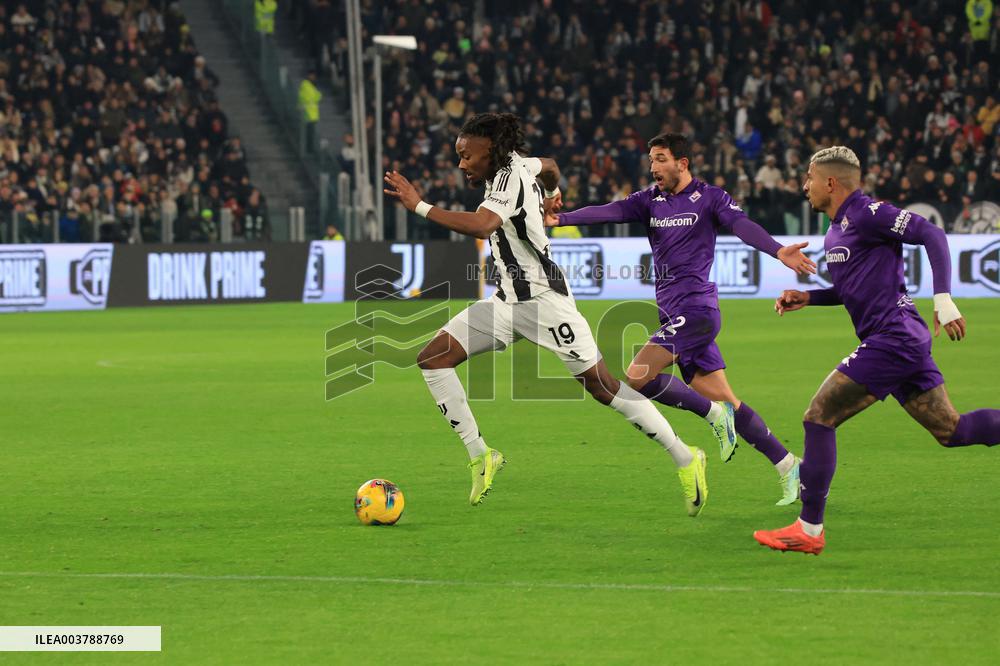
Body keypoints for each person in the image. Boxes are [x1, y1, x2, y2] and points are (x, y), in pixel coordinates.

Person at [384, 113, 708, 516]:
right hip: (505, 303)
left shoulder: (510, 177)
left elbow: (483, 225)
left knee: (603, 387)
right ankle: (482, 455)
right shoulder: (518, 166)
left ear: (493, 153)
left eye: (468, 156)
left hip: (544, 302)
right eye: (459, 155)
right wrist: (553, 193)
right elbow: (551, 165)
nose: (462, 164)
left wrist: (419, 205)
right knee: (433, 359)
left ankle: (685, 456)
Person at [753, 146, 1000, 555]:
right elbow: (851, 289)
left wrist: (943, 298)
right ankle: (808, 529)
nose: (804, 186)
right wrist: (809, 298)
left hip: (893, 337)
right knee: (950, 430)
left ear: (830, 182)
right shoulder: (837, 229)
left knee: (819, 417)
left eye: (810, 178)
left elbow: (931, 233)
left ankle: (809, 530)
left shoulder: (869, 212)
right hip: (899, 340)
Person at [547, 133, 816, 505]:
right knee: (730, 401)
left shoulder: (710, 198)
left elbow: (742, 226)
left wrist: (776, 249)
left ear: (682, 163)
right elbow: (609, 211)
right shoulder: (648, 201)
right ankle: (789, 465)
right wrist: (560, 218)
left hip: (698, 311)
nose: (653, 167)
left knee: (639, 376)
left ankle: (711, 415)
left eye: (660, 159)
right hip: (673, 313)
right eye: (651, 160)